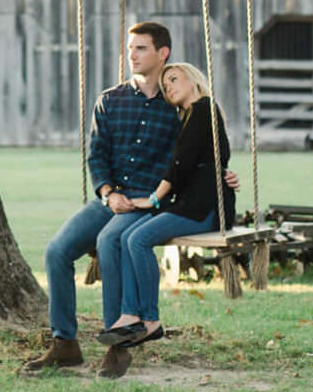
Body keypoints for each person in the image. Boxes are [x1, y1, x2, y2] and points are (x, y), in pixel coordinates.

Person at [95, 62, 235, 360]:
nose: (168, 86)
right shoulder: (191, 116)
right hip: (191, 201)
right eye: (165, 83)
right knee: (128, 236)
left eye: (173, 79)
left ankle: (150, 320)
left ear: (193, 79)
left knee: (137, 239)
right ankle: (131, 314)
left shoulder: (203, 108)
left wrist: (153, 200)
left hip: (203, 206)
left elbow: (180, 165)